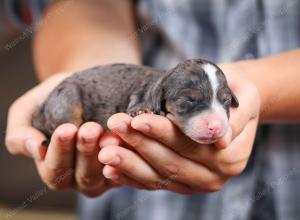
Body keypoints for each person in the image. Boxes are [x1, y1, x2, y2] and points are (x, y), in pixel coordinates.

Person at [5, 0, 300, 219]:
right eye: (190, 102)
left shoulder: (176, 97)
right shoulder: (148, 103)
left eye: (224, 101)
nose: (214, 122)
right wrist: (84, 64)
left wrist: (262, 88)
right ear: (159, 100)